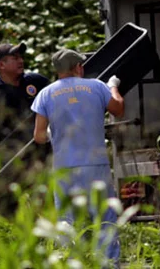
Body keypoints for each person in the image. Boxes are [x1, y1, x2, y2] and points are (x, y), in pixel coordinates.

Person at [31, 48, 124, 267]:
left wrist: (54, 135)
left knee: (68, 222)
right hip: (96, 166)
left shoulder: (45, 94)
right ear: (78, 67)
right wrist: (114, 86)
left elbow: (39, 136)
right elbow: (118, 109)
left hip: (64, 168)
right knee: (105, 219)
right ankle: (109, 265)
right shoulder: (97, 86)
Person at [0, 42, 52, 211]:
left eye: (20, 57)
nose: (21, 61)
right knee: (9, 210)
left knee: (48, 203)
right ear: (1, 65)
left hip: (42, 157)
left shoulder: (37, 82)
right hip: (9, 163)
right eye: (15, 58)